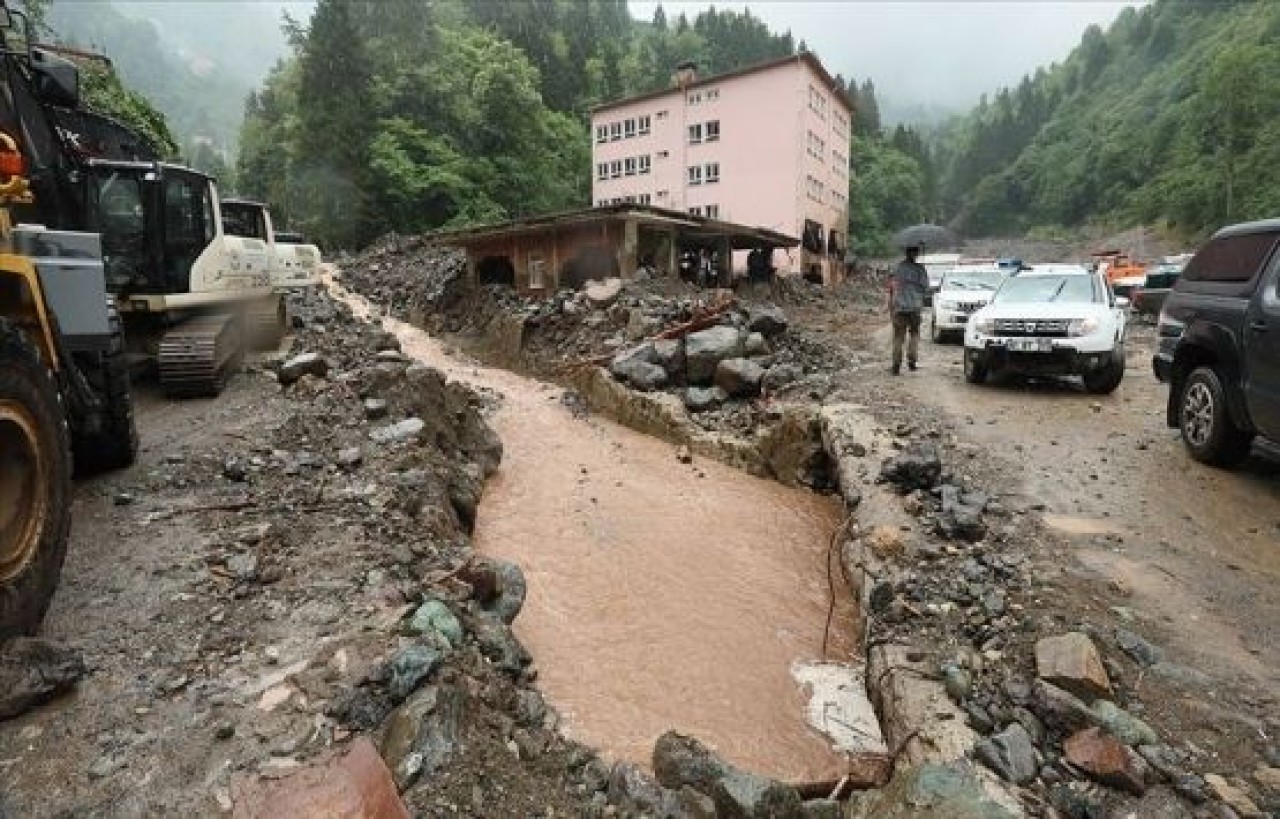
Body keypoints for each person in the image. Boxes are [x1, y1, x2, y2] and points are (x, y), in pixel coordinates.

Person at [887, 245, 929, 375]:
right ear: (916, 253)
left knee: (898, 336)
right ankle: (912, 361)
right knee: (914, 334)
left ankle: (896, 365)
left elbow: (891, 286)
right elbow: (925, 287)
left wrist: (892, 302)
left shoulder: (897, 268)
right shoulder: (920, 269)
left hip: (899, 306)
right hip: (915, 307)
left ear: (906, 253)